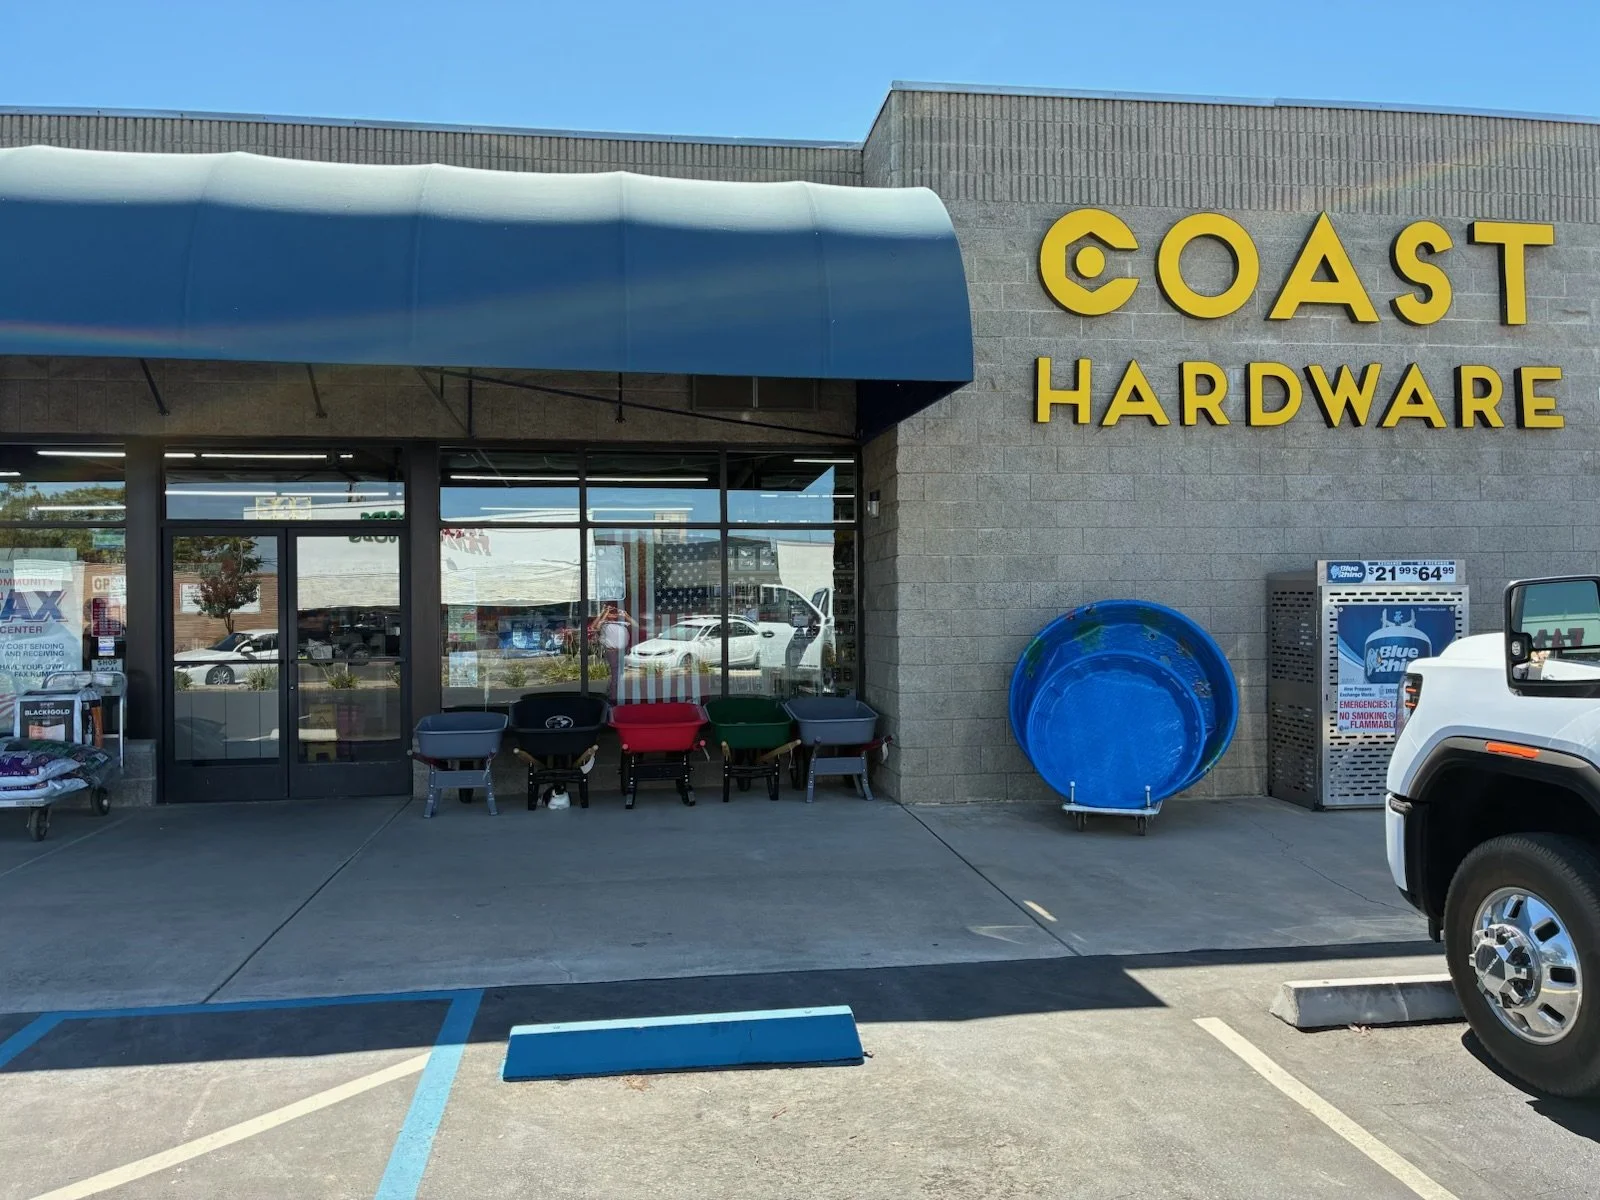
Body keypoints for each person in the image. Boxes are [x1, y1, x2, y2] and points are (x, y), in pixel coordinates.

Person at [596, 602, 636, 701]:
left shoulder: (623, 623)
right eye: (611, 612)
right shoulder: (604, 623)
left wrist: (626, 615)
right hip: (612, 652)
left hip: (623, 651)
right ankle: (613, 696)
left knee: (622, 673)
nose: (614, 614)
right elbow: (596, 627)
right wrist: (605, 613)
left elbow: (636, 626)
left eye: (615, 612)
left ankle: (619, 693)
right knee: (615, 673)